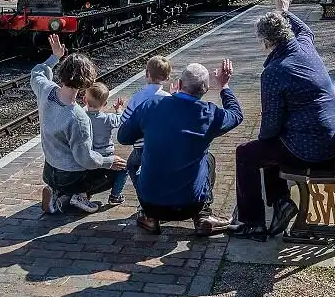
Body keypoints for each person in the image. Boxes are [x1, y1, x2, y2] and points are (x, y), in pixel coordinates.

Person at [229, 0, 335, 241]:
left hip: (315, 149)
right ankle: (281, 203)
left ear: (267, 42)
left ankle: (252, 223)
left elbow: (270, 128)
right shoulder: (304, 45)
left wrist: (263, 138)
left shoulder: (274, 71)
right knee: (270, 146)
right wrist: (284, 11)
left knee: (247, 153)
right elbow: (306, 30)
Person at [118, 60, 241, 236]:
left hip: (151, 203)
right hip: (190, 205)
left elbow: (123, 137)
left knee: (139, 161)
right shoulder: (209, 114)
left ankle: (149, 217)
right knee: (208, 159)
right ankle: (203, 216)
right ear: (205, 90)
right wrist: (224, 85)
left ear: (180, 84)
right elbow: (236, 114)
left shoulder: (151, 106)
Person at [33, 34, 127, 214]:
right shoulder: (78, 117)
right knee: (117, 169)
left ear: (62, 72)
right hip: (70, 176)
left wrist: (55, 56)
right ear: (86, 84)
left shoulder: (45, 90)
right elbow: (85, 159)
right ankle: (70, 198)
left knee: (78, 166)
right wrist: (108, 161)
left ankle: (55, 191)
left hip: (50, 169)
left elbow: (37, 72)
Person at [119, 55, 173, 192]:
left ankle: (142, 194)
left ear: (147, 74)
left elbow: (124, 121)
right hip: (163, 147)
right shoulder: (169, 98)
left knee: (131, 166)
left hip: (141, 148)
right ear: (167, 78)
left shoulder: (138, 97)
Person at [83, 82, 128, 205]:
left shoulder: (82, 117)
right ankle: (115, 196)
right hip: (107, 157)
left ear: (84, 100)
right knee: (124, 168)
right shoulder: (108, 118)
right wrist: (119, 109)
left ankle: (86, 191)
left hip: (89, 157)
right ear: (105, 104)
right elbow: (121, 120)